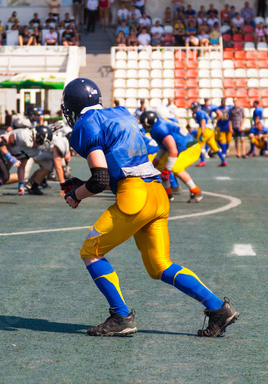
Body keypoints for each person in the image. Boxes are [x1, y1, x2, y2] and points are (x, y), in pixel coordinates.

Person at [59, 77, 240, 337]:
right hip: (157, 193)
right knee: (160, 266)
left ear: (72, 105)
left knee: (91, 251)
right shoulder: (121, 113)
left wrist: (76, 194)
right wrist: (84, 184)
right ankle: (218, 308)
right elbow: (117, 165)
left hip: (134, 196)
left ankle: (121, 316)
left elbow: (99, 179)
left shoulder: (86, 124)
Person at [140, 110, 203, 202]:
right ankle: (168, 195)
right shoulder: (158, 125)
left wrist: (167, 170)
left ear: (148, 123)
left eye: (144, 124)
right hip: (180, 149)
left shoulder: (159, 128)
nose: (144, 127)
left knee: (176, 168)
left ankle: (196, 192)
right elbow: (163, 146)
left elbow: (173, 150)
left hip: (190, 148)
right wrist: (156, 160)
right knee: (160, 167)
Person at [190, 101, 227, 167]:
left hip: (205, 130)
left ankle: (202, 161)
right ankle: (223, 160)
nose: (192, 110)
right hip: (211, 130)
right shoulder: (202, 112)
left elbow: (203, 122)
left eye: (193, 108)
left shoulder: (199, 112)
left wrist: (202, 133)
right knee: (214, 147)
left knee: (197, 146)